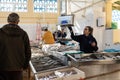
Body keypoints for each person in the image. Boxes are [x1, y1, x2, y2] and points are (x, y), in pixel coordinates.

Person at [0, 13, 31, 80]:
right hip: (18, 68)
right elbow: (28, 52)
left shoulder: (1, 32)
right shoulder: (23, 34)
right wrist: (25, 66)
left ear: (7, 20)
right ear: (18, 22)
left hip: (2, 68)